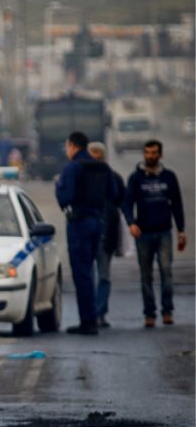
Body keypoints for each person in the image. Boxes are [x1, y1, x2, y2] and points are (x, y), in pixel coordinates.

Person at [55, 131, 117, 336]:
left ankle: (88, 322)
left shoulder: (73, 168)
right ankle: (91, 317)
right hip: (98, 222)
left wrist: (59, 187)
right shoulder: (102, 167)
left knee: (82, 273)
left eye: (67, 146)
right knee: (90, 271)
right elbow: (114, 194)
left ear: (72, 146)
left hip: (79, 223)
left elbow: (65, 198)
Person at [121, 139, 186, 328]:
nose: (150, 156)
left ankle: (167, 311)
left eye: (154, 153)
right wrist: (131, 223)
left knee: (166, 272)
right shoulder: (136, 178)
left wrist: (181, 230)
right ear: (144, 154)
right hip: (143, 233)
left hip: (164, 231)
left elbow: (177, 204)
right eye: (147, 153)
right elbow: (127, 203)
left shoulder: (169, 177)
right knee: (146, 275)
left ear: (160, 155)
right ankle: (149, 313)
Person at [87, 142, 125, 329]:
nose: (95, 157)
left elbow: (121, 202)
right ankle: (89, 314)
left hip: (106, 234)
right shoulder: (82, 178)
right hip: (86, 234)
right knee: (88, 275)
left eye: (97, 154)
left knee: (103, 276)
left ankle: (100, 313)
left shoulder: (113, 178)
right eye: (92, 154)